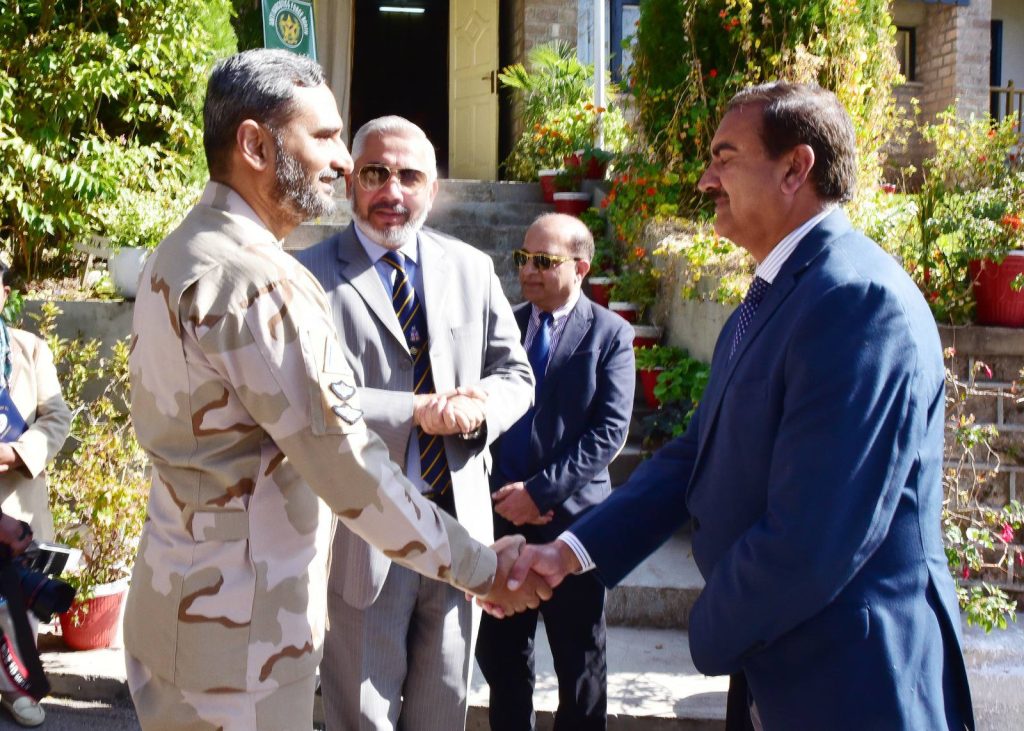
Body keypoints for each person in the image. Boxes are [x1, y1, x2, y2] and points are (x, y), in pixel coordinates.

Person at [504, 82, 976, 730]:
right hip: (777, 660)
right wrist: (569, 552)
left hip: (851, 680)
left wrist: (706, 627)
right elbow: (694, 456)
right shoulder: (773, 298)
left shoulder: (857, 300)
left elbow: (813, 536)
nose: (705, 180)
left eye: (724, 158)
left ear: (795, 168)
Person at [123, 50, 547, 731]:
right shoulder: (260, 280)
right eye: (323, 136)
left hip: (193, 609)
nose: (344, 161)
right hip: (239, 642)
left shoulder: (187, 248)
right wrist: (481, 565)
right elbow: (346, 461)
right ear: (255, 146)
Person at [295, 115, 534, 731]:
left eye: (409, 176)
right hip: (362, 535)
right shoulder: (306, 275)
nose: (392, 191)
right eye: (375, 173)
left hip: (459, 527)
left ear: (434, 187)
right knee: (361, 718)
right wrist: (415, 411)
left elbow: (515, 374)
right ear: (351, 181)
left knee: (442, 712)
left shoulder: (471, 268)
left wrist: (481, 409)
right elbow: (306, 397)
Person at [474, 213, 634, 731]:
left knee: (580, 665)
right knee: (501, 660)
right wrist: (502, 497)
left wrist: (540, 493)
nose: (528, 270)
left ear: (580, 267)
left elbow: (609, 433)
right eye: (524, 258)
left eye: (543, 261)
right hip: (501, 521)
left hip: (574, 529)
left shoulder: (611, 334)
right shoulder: (504, 325)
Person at [0, 262, 71, 727]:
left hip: (18, 499)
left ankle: (16, 688)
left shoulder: (30, 349)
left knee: (19, 603)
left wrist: (14, 454)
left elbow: (57, 417)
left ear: (4, 293)